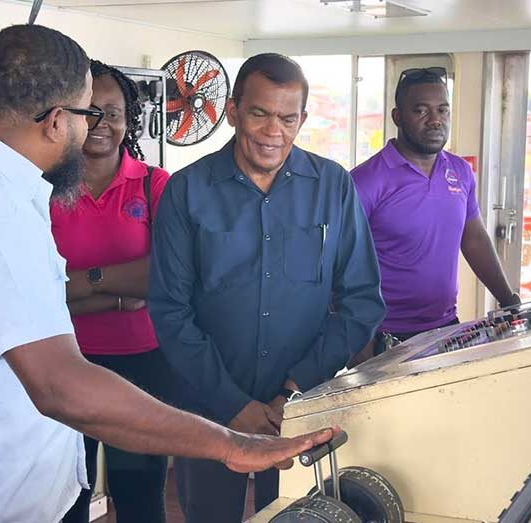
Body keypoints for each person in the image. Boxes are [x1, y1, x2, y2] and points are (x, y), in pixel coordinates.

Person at [0, 26, 336, 523]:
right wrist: (229, 444)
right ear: (58, 122)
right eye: (86, 115)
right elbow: (59, 384)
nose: (90, 131)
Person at [148, 53, 385, 523]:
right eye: (259, 113)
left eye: (287, 118)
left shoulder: (333, 186)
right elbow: (170, 310)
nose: (272, 131)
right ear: (232, 111)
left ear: (302, 120)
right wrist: (233, 404)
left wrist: (292, 393)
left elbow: (361, 301)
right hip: (209, 410)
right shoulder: (186, 190)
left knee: (297, 517)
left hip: (303, 409)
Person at [52, 60, 174, 523]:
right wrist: (118, 295)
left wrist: (80, 283)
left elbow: (164, 276)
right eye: (90, 111)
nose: (101, 123)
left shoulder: (154, 185)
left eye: (114, 112)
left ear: (129, 119)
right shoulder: (43, 189)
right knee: (66, 497)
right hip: (62, 362)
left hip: (141, 365)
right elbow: (36, 288)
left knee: (140, 497)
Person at [351, 66, 519, 347]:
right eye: (421, 111)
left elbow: (474, 239)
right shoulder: (365, 180)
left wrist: (509, 300)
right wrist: (358, 340)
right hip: (383, 334)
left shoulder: (460, 171)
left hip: (444, 326)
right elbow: (336, 261)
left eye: (443, 110)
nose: (435, 120)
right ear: (397, 117)